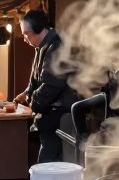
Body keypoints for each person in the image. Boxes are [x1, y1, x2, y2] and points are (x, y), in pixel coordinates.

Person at [13, 9, 78, 163]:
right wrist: (27, 92)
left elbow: (51, 85)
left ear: (40, 29)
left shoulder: (56, 47)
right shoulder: (44, 46)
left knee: (50, 165)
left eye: (27, 34)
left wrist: (33, 103)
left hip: (59, 115)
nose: (25, 39)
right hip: (51, 115)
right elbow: (37, 79)